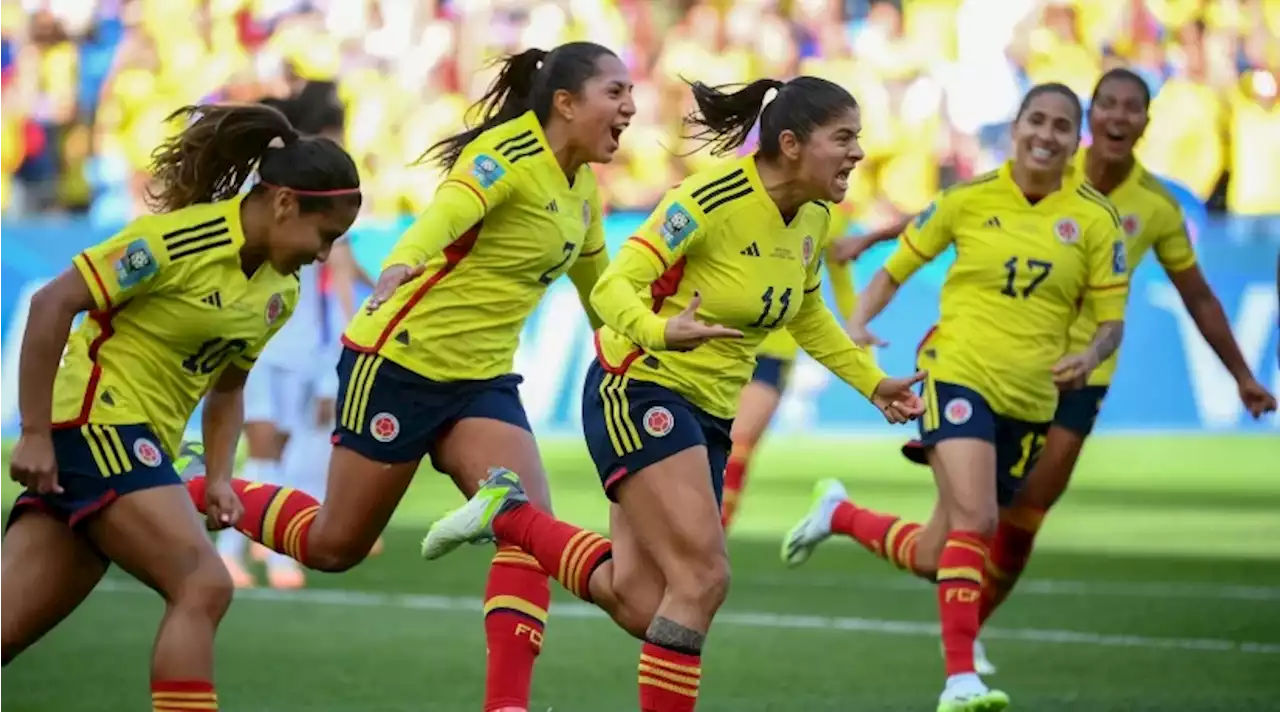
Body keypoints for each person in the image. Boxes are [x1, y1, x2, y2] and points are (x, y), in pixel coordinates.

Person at [421, 75, 926, 712]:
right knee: (704, 576)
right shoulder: (707, 199)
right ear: (792, 144)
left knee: (639, 603)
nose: (858, 154)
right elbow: (610, 291)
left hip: (708, 408)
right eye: (844, 138)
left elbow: (805, 312)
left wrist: (871, 383)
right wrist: (663, 329)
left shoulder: (816, 218)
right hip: (638, 387)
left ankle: (507, 514)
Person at [179, 42, 634, 712]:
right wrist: (402, 262)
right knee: (335, 547)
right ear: (566, 104)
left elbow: (603, 297)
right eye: (616, 93)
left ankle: (506, 706)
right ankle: (187, 484)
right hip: (397, 364)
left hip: (481, 385)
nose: (630, 107)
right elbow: (445, 214)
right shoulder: (505, 157)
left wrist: (647, 340)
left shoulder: (583, 191)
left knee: (530, 527)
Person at [782, 83, 1132, 712]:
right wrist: (858, 322)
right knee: (980, 522)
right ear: (1016, 126)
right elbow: (895, 269)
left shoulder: (1096, 221)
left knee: (934, 555)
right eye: (1036, 121)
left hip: (1031, 400)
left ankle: (839, 514)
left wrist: (1093, 354)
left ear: (1074, 138)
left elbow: (1111, 320)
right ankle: (961, 680)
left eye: (1060, 125)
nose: (1046, 135)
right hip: (956, 372)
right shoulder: (966, 200)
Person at [0, 103, 360, 712]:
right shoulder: (174, 240)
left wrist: (219, 475)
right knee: (203, 582)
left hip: (134, 445)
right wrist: (34, 431)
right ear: (283, 204)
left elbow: (227, 387)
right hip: (96, 424)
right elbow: (52, 305)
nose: (326, 256)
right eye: (325, 236)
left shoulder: (280, 291)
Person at [967, 68, 1276, 662]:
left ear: (1145, 123)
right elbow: (962, 210)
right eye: (1105, 105)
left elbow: (1199, 296)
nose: (1116, 116)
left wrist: (1241, 374)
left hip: (1086, 372)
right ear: (1091, 119)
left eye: (1130, 108)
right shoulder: (1047, 167)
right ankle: (856, 522)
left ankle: (967, 632)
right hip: (1010, 357)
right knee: (975, 512)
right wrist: (877, 239)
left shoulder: (1156, 206)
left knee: (1029, 509)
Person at [217, 93, 374, 590]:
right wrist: (357, 321)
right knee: (264, 441)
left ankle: (255, 543)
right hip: (262, 332)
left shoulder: (323, 190)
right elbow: (342, 267)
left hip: (297, 336)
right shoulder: (278, 191)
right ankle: (247, 548)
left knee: (280, 442)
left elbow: (341, 261)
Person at [721, 213, 912, 529]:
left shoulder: (827, 217)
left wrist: (867, 363)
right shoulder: (736, 198)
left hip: (774, 352)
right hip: (718, 343)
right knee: (703, 448)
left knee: (738, 443)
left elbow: (841, 286)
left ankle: (714, 536)